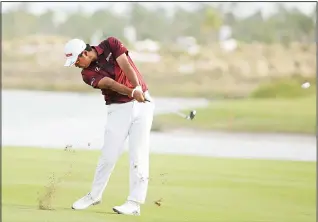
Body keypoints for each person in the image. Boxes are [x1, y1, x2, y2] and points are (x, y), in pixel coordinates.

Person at [63, 36, 155, 216]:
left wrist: (137, 88)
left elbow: (126, 64)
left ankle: (134, 203)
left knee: (139, 155)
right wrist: (132, 92)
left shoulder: (111, 44)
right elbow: (110, 84)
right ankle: (94, 195)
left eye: (76, 60)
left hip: (143, 105)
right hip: (118, 109)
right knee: (108, 155)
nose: (76, 65)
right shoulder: (86, 74)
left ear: (85, 52)